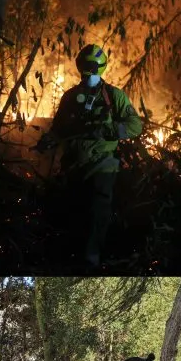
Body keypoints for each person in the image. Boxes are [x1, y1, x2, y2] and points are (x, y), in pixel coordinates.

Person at [34, 43, 143, 268]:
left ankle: (92, 258)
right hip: (74, 164)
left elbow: (135, 125)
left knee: (98, 208)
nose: (87, 73)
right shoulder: (70, 97)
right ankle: (71, 258)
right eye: (84, 68)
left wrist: (107, 130)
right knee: (73, 211)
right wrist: (48, 140)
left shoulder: (114, 96)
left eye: (91, 68)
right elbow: (59, 128)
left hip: (103, 162)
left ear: (99, 68)